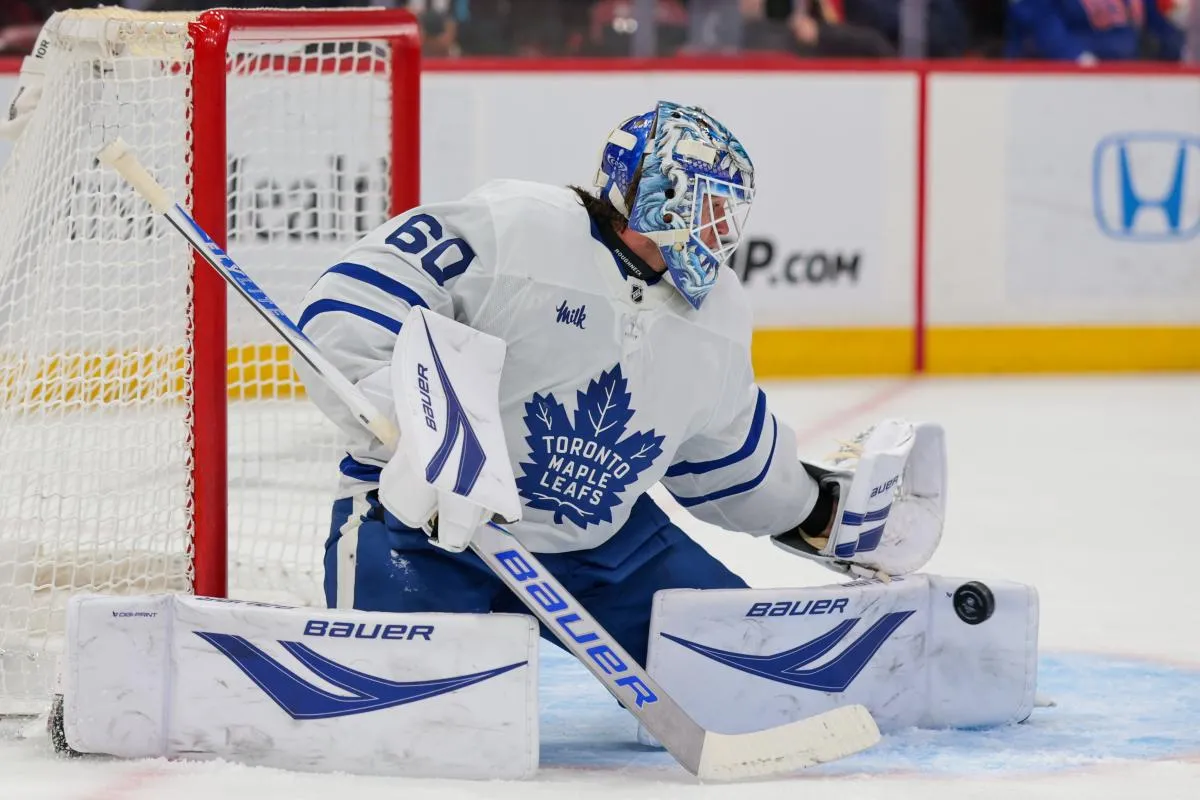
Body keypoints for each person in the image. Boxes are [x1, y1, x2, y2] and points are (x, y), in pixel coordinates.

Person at [296, 102, 937, 667]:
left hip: (604, 548)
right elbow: (351, 301)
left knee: (748, 667)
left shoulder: (715, 315)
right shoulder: (518, 228)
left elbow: (724, 455)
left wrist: (817, 510)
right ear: (648, 193)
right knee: (416, 712)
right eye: (705, 204)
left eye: (728, 213)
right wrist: (415, 421)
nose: (719, 231)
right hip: (427, 532)